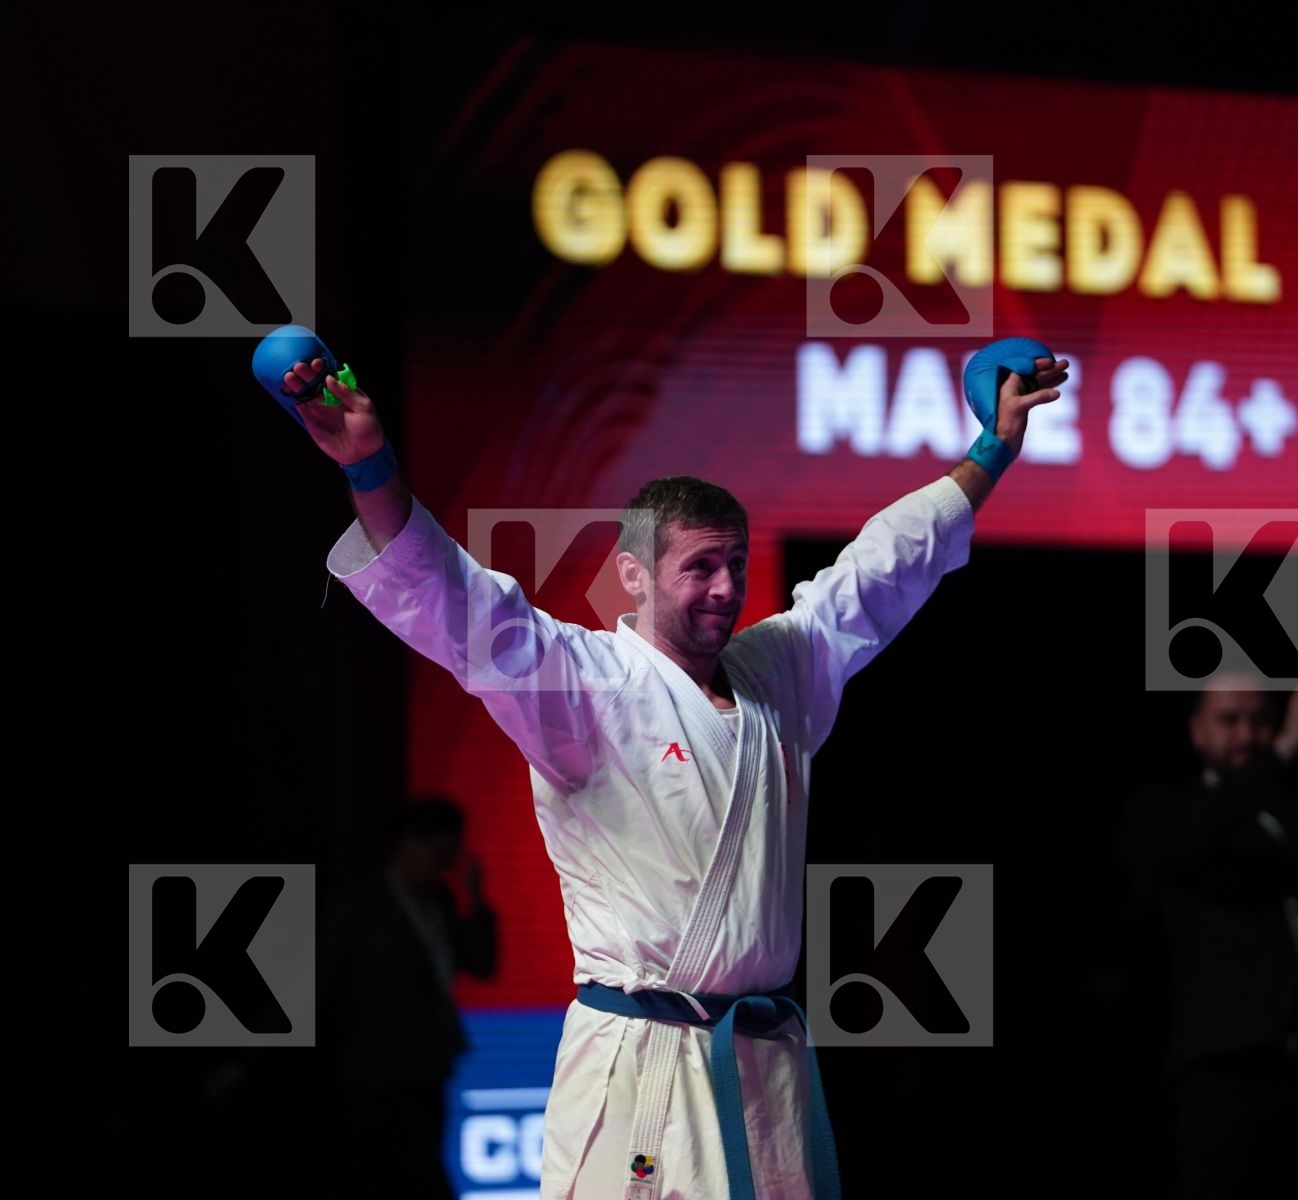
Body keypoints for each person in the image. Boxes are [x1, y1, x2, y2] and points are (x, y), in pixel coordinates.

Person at [281, 345, 1067, 1200]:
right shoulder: (583, 684)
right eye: (699, 565)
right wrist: (371, 465)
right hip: (641, 1068)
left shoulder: (782, 668)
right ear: (632, 576)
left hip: (762, 1065)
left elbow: (882, 569)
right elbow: (460, 604)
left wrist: (990, 450)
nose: (726, 587)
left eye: (735, 562)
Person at [1117, 642, 1298, 1199]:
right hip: (1226, 1075)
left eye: (1260, 721)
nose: (1245, 736)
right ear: (1196, 732)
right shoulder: (1167, 813)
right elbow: (1190, 848)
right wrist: (1282, 749)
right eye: (1228, 721)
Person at [320, 795, 498, 1200]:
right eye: (439, 852)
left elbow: (482, 966)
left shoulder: (441, 903)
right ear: (407, 843)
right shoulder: (360, 906)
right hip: (375, 1074)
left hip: (427, 1068)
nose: (445, 864)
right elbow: (319, 982)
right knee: (394, 1176)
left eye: (452, 855)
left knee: (419, 1169)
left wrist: (478, 902)